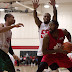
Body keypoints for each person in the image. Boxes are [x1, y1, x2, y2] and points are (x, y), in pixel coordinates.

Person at [32, 0, 58, 71]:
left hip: (50, 51)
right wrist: (34, 9)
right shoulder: (40, 25)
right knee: (40, 69)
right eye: (45, 16)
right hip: (41, 52)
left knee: (55, 69)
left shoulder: (52, 25)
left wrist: (53, 6)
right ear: (43, 18)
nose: (46, 17)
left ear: (50, 18)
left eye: (48, 16)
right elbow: (35, 17)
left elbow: (55, 15)